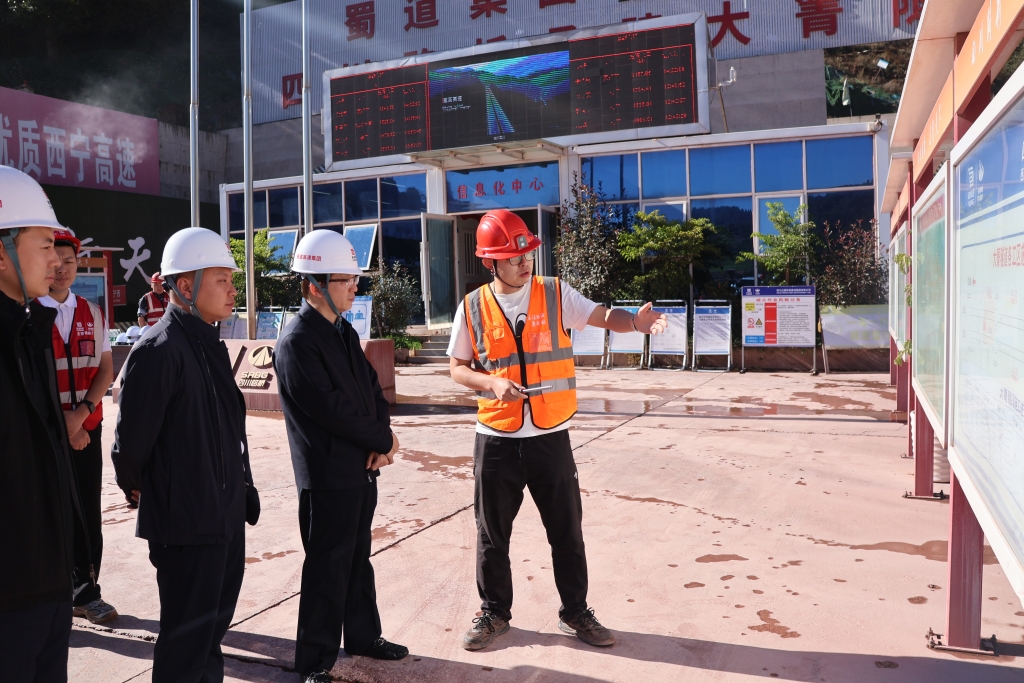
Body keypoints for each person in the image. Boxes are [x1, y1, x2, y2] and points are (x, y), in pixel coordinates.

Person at [448, 210, 667, 651]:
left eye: (528, 253)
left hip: (550, 436)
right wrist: (491, 383)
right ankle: (494, 612)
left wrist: (635, 323)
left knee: (567, 531)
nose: (524, 262)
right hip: (496, 438)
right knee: (492, 535)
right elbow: (457, 367)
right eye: (514, 257)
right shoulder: (471, 307)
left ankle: (576, 611)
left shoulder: (554, 292)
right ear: (491, 262)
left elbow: (603, 316)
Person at [111, 227, 261, 683]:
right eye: (222, 279)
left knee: (209, 637)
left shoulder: (207, 343)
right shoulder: (159, 349)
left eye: (232, 280)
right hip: (187, 525)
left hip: (223, 515)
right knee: (185, 646)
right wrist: (143, 489)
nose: (233, 290)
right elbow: (130, 446)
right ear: (185, 286)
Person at [274, 230, 408, 683]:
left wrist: (381, 438)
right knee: (326, 569)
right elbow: (330, 410)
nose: (355, 287)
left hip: (360, 469)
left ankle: (364, 637)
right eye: (346, 280)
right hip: (327, 475)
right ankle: (314, 662)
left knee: (357, 559)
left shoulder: (341, 330)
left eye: (355, 279)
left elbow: (371, 389)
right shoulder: (297, 341)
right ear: (315, 285)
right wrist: (382, 441)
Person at [0, 166, 88, 682]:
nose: (57, 260)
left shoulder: (30, 333)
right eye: (44, 245)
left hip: (50, 585)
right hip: (11, 595)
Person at [38, 228, 117, 625]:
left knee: (87, 511)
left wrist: (81, 415)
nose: (62, 269)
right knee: (46, 512)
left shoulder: (93, 313)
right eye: (55, 261)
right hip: (43, 433)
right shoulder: (28, 314)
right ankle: (50, 593)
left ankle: (86, 591)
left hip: (87, 428)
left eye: (69, 262)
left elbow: (105, 369)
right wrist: (65, 425)